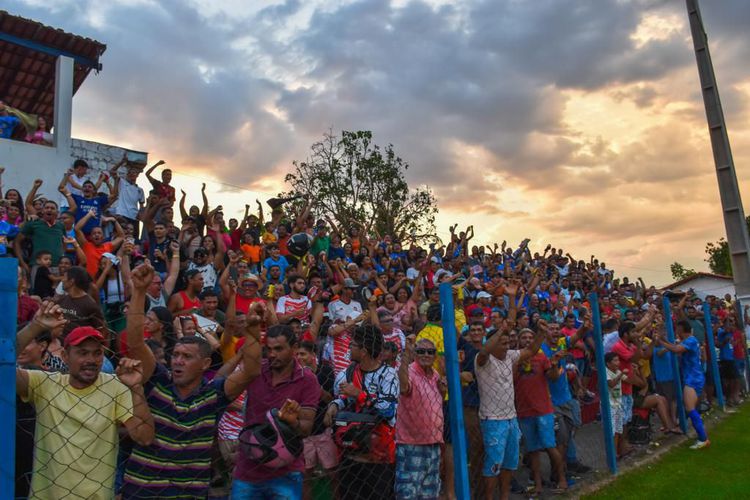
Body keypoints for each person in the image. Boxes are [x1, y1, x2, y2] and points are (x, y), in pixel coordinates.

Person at [122, 262, 264, 498]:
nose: (177, 361)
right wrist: (138, 292)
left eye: (187, 357)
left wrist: (252, 329)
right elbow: (136, 344)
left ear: (206, 365)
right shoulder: (158, 381)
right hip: (142, 492)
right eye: (176, 355)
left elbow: (250, 371)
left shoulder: (212, 395)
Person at [16, 302, 155, 499]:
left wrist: (136, 389)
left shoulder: (115, 387)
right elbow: (3, 368)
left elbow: (144, 437)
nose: (91, 359)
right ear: (65, 355)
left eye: (97, 353)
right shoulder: (45, 384)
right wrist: (35, 326)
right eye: (82, 353)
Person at [232, 324, 321, 499]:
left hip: (286, 471)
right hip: (248, 469)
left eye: (279, 349)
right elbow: (222, 386)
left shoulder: (307, 380)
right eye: (269, 349)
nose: (272, 354)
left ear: (294, 348)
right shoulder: (255, 371)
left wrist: (292, 422)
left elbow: (306, 428)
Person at [324, 325, 399, 500]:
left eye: (353, 345)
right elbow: (345, 399)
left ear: (363, 351)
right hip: (350, 457)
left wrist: (360, 395)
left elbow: (387, 411)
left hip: (379, 459)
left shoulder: (388, 375)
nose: (349, 347)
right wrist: (334, 405)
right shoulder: (347, 373)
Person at [474, 321, 545, 500]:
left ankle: (504, 497)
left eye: (507, 343)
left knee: (509, 463)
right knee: (493, 464)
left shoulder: (510, 356)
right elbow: (484, 351)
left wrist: (541, 333)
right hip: (492, 419)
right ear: (493, 343)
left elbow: (531, 350)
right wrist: (500, 331)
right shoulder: (483, 360)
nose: (507, 347)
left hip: (511, 418)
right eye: (503, 343)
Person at [514, 328, 567, 495]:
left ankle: (561, 478)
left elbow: (552, 377)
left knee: (550, 445)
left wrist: (554, 363)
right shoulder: (514, 357)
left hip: (543, 409)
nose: (528, 340)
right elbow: (510, 380)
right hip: (524, 411)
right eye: (524, 337)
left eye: (531, 337)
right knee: (532, 450)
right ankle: (537, 484)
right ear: (519, 340)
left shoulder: (541, 356)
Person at [395, 337, 445, 500]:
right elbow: (403, 387)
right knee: (408, 493)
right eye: (421, 351)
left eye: (430, 352)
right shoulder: (409, 371)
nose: (425, 355)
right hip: (412, 444)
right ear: (415, 354)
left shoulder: (435, 374)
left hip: (433, 443)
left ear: (435, 355)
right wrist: (405, 356)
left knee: (430, 493)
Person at [655, 320, 710, 449]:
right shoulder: (690, 340)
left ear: (681, 329)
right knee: (689, 408)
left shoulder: (690, 340)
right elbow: (675, 347)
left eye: (677, 328)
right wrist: (663, 339)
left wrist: (661, 342)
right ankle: (701, 436)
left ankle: (703, 438)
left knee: (690, 408)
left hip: (693, 378)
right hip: (693, 377)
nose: (676, 331)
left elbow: (676, 349)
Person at [295, 340, 338, 500]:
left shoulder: (325, 371)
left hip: (324, 431)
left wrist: (312, 382)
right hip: (304, 434)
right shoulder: (294, 375)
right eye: (297, 354)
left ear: (313, 355)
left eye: (303, 354)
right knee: (306, 476)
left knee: (333, 474)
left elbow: (330, 399)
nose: (299, 357)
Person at [605, 352, 626, 456]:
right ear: (608, 364)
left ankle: (616, 454)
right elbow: (611, 384)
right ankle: (612, 456)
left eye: (618, 360)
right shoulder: (605, 372)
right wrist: (621, 374)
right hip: (609, 406)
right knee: (612, 432)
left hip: (618, 404)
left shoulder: (618, 371)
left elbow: (629, 379)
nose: (618, 362)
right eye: (615, 360)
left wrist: (636, 371)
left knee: (618, 430)